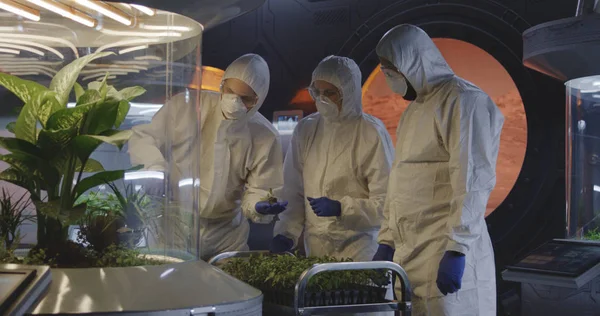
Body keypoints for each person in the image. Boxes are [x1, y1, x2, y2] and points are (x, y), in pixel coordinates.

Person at [372, 24, 504, 316]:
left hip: (447, 254)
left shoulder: (463, 101)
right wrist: (387, 240)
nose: (388, 75)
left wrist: (457, 247)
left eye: (391, 67)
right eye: (384, 68)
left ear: (413, 61)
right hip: (410, 257)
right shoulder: (413, 112)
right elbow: (400, 184)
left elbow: (472, 179)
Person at [128, 54, 288, 261]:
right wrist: (154, 167)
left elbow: (261, 188)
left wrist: (259, 204)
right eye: (230, 91)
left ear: (259, 100)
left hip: (226, 237)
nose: (235, 102)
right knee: (170, 289)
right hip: (173, 228)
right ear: (222, 85)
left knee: (226, 291)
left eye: (246, 99)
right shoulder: (187, 107)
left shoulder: (264, 136)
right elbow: (144, 136)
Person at [270, 55, 394, 261]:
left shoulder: (371, 132)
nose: (322, 99)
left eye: (330, 93)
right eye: (317, 92)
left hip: (360, 249)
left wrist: (341, 208)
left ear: (349, 92)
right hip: (317, 250)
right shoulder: (307, 129)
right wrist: (285, 233)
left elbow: (387, 204)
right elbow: (293, 190)